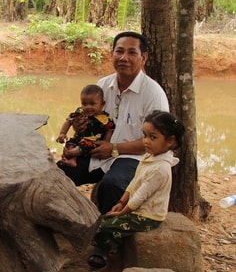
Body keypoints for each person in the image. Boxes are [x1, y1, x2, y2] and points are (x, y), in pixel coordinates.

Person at [57, 31, 170, 215]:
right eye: (119, 51)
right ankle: (64, 225)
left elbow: (158, 142)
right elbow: (86, 121)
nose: (124, 58)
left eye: (132, 53)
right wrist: (79, 129)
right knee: (58, 173)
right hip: (98, 151)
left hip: (134, 157)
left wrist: (114, 148)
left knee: (112, 186)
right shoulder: (102, 85)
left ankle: (107, 238)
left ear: (144, 58)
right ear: (111, 54)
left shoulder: (153, 94)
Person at [90, 110, 185, 272]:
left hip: (148, 216)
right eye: (145, 135)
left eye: (152, 137)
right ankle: (114, 258)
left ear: (170, 141)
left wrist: (122, 212)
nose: (146, 141)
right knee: (101, 222)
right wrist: (121, 201)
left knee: (106, 228)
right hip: (137, 209)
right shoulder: (150, 157)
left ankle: (115, 263)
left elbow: (141, 195)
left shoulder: (161, 168)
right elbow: (135, 182)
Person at [56, 84, 115, 168]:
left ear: (102, 104)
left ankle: (72, 154)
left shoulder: (105, 118)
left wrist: (106, 143)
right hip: (78, 138)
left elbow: (109, 130)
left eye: (92, 104)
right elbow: (69, 121)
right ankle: (71, 159)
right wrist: (62, 134)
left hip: (92, 142)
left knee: (85, 145)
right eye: (84, 104)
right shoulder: (80, 111)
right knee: (70, 143)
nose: (88, 107)